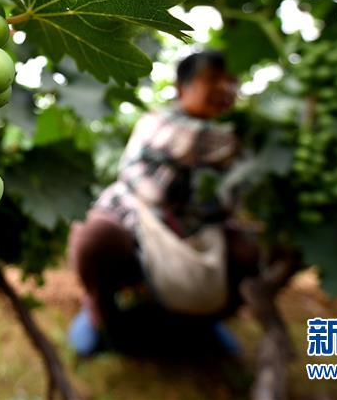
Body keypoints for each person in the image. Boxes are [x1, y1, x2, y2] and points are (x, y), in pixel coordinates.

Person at [67, 50, 259, 357]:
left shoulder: (236, 142)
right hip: (137, 219)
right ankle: (99, 312)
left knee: (251, 253)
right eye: (212, 79)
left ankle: (206, 320)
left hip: (200, 229)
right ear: (182, 88)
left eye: (231, 81)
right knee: (95, 237)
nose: (225, 88)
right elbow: (181, 158)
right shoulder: (159, 122)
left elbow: (236, 198)